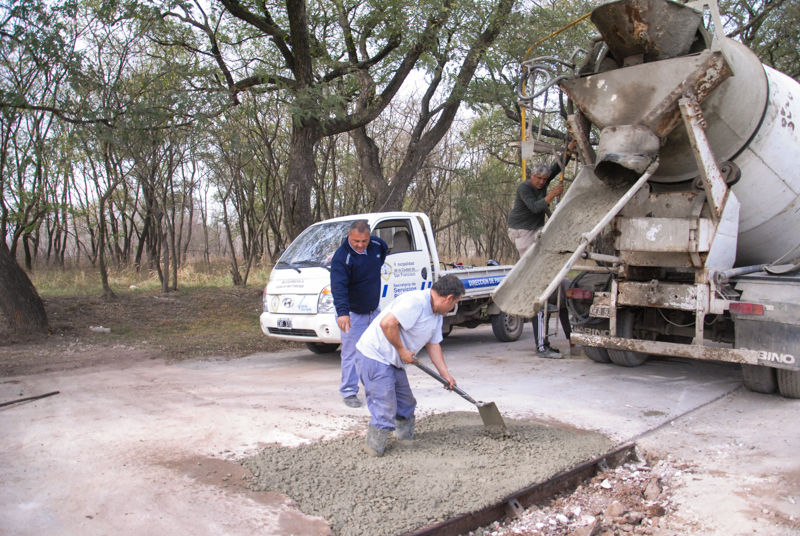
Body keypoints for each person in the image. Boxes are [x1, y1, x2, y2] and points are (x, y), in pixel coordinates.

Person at [355, 275, 465, 457]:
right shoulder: (415, 302)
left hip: (394, 360)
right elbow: (387, 323)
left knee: (406, 404)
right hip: (375, 356)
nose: (453, 308)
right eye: (455, 303)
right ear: (449, 298)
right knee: (385, 407)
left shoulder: (437, 314)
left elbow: (433, 344)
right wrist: (402, 350)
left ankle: (405, 443)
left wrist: (445, 374)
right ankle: (373, 451)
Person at [507, 143, 575, 358]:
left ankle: (569, 338)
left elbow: (559, 165)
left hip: (537, 228)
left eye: (545, 181)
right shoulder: (524, 187)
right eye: (538, 179)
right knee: (538, 281)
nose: (542, 182)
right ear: (532, 176)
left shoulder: (544, 182)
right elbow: (537, 207)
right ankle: (541, 344)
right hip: (522, 231)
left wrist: (570, 147)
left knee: (554, 275)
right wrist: (553, 193)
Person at [330, 220, 388, 408]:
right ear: (349, 235)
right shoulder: (342, 257)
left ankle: (376, 388)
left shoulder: (378, 246)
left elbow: (380, 257)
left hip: (374, 311)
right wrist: (343, 313)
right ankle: (348, 391)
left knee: (378, 351)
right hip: (353, 314)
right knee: (351, 353)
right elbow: (338, 287)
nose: (361, 245)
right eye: (356, 241)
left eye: (364, 241)